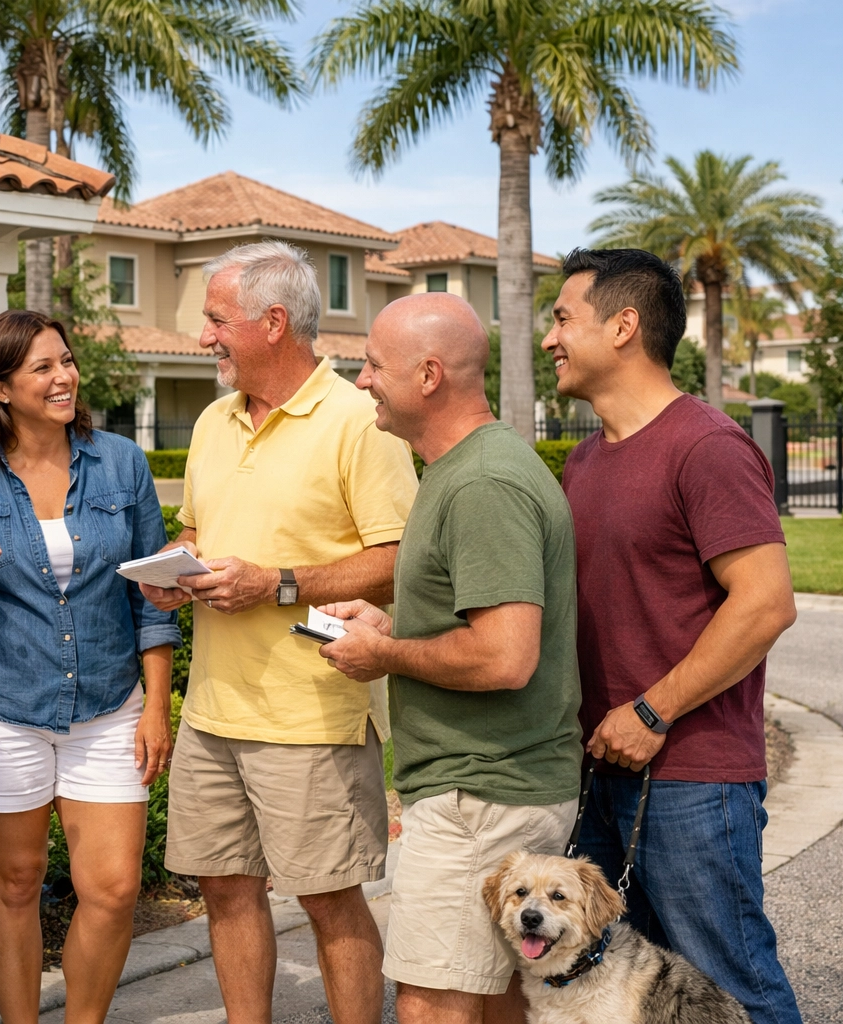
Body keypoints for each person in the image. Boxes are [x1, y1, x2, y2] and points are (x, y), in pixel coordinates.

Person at [140, 241, 416, 1024]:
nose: (204, 337)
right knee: (224, 891)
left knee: (330, 901)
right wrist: (175, 571)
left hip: (312, 714)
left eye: (216, 320)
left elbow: (400, 559)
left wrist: (276, 584)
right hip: (212, 712)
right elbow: (198, 530)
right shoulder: (212, 421)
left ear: (272, 323)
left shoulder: (359, 419)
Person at [544, 248, 802, 1024]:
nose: (549, 338)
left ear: (623, 326)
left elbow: (765, 604)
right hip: (602, 772)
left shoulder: (706, 446)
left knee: (729, 992)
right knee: (629, 997)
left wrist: (652, 711)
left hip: (691, 778)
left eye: (563, 319)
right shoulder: (584, 461)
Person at [0, 309, 180, 1024]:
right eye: (43, 367)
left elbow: (153, 594)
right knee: (17, 881)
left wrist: (157, 706)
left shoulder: (120, 461)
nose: (64, 377)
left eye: (67, 361)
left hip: (110, 702)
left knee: (114, 888)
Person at [319, 292, 583, 1024]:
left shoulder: (481, 483)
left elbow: (505, 656)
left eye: (374, 365)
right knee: (495, 999)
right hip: (495, 789)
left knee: (432, 1003)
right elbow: (479, 621)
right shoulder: (465, 468)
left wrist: (386, 653)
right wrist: (393, 625)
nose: (362, 380)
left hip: (483, 793)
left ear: (429, 375)